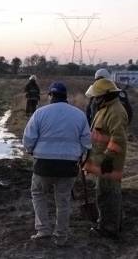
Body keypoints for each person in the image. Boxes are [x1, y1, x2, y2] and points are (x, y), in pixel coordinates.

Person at [23, 82, 91, 246]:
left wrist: (30, 150)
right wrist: (78, 154)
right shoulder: (79, 114)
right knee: (63, 200)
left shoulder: (40, 113)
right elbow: (87, 142)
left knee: (38, 194)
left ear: (51, 96)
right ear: (65, 97)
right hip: (68, 166)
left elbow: (29, 138)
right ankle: (61, 236)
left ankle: (43, 230)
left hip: (44, 164)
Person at [83, 77, 128, 240]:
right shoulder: (105, 108)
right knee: (106, 193)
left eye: (97, 96)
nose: (94, 99)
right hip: (102, 161)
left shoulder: (115, 111)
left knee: (107, 195)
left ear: (106, 95)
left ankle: (108, 228)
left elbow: (119, 139)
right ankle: (114, 223)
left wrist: (108, 158)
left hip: (109, 163)